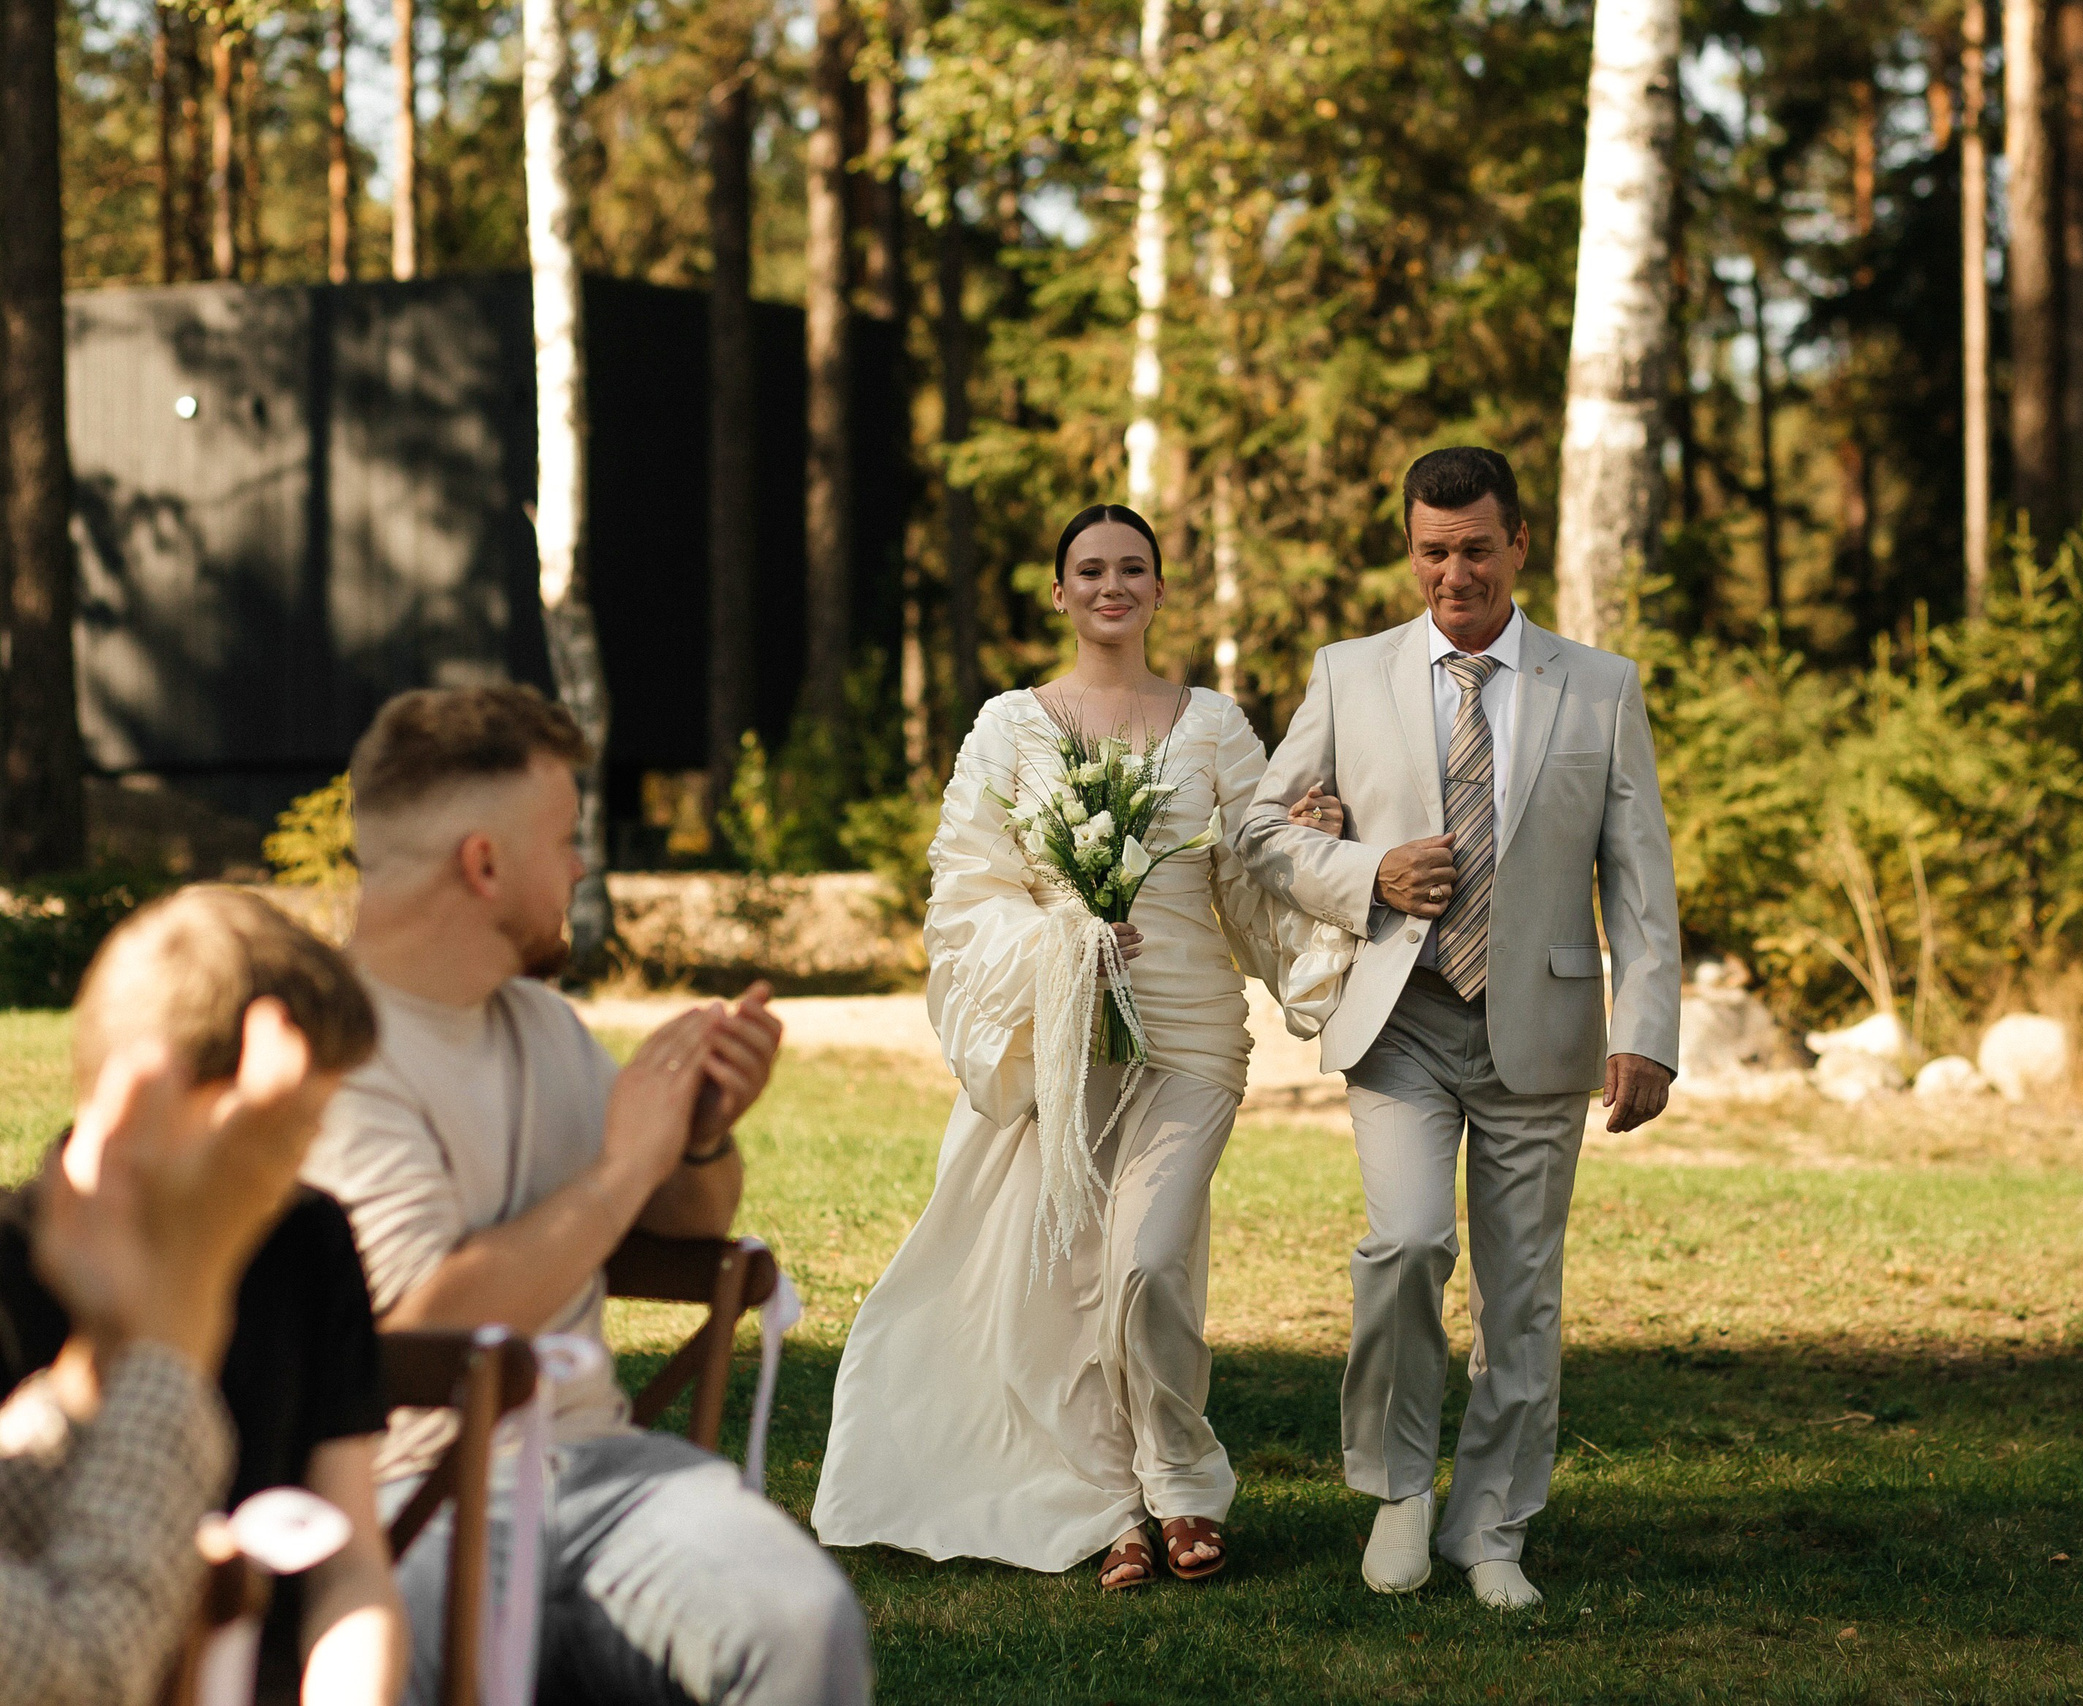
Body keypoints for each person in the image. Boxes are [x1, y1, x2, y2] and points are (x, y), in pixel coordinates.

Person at [810, 503, 1351, 1589]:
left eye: (1133, 569)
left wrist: (1314, 847)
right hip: (1062, 1038)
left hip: (1191, 1037)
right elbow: (967, 887)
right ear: (1058, 592)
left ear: (1158, 589)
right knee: (1068, 1280)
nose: (1112, 585)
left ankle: (1182, 1473)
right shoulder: (1007, 724)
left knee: (1145, 1261)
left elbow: (1248, 870)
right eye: (1090, 570)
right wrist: (1065, 941)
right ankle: (1123, 1508)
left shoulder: (1216, 723)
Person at [297, 684, 872, 1705]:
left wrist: (695, 1139)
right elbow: (431, 1325)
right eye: (565, 839)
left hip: (596, 1468)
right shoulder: (329, 1054)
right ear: (482, 863)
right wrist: (620, 1171)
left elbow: (684, 1224)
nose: (579, 866)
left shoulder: (539, 1022)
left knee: (800, 1622)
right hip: (398, 1496)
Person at [1234, 445, 1683, 1610]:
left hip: (1540, 1021)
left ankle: (1491, 1526)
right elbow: (1261, 832)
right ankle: (1395, 1489)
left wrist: (1649, 1029)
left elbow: (1639, 878)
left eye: (1476, 547)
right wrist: (1365, 867)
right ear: (1410, 547)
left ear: (1518, 543)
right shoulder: (1349, 672)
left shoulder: (1600, 685)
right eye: (1433, 550)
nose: (1453, 572)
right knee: (1407, 1246)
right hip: (1401, 1021)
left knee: (1521, 1291)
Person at [0, 887, 402, 1706]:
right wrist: (173, 1331)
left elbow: (351, 1563)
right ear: (151, 1099)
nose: (300, 1163)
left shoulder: (305, 1239)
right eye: (284, 1130)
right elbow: (77, 1662)